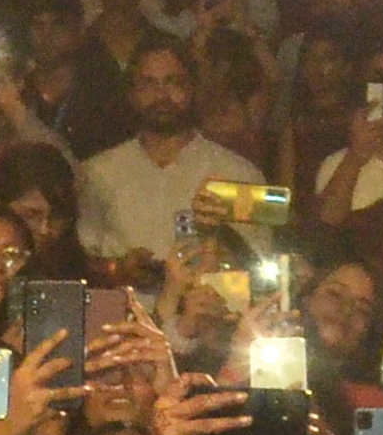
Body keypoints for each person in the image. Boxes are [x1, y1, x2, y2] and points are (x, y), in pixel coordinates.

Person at [77, 38, 270, 269]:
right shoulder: (98, 173)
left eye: (173, 82)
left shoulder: (238, 173)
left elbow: (258, 262)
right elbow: (84, 258)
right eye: (148, 84)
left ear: (192, 88)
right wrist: (119, 268)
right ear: (131, 93)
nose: (161, 95)